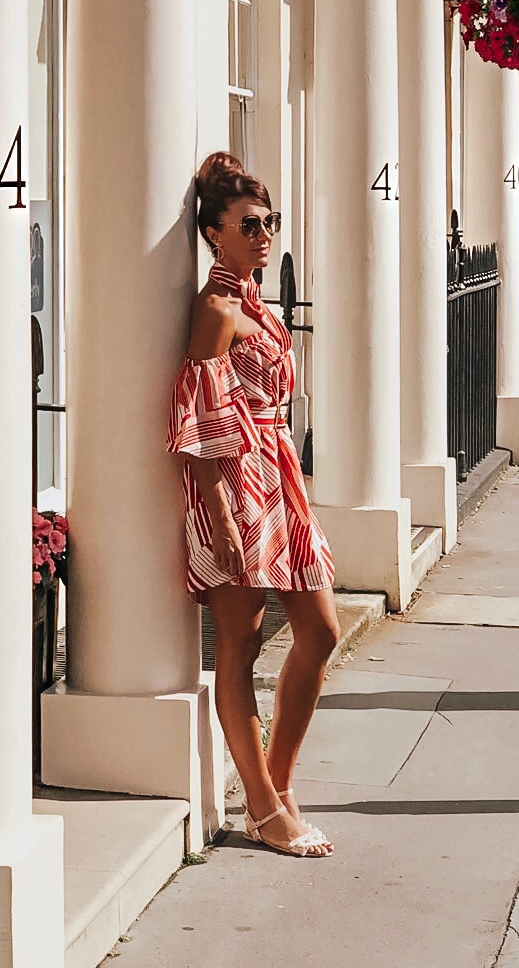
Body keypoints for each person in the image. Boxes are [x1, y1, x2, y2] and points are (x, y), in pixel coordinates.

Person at [168, 152, 338, 859]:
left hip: (280, 473)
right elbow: (198, 415)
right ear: (214, 233)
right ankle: (266, 809)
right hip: (237, 480)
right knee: (238, 645)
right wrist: (224, 515)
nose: (265, 234)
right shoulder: (216, 310)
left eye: (270, 222)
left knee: (321, 630)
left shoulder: (256, 306)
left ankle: (276, 786)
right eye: (249, 224)